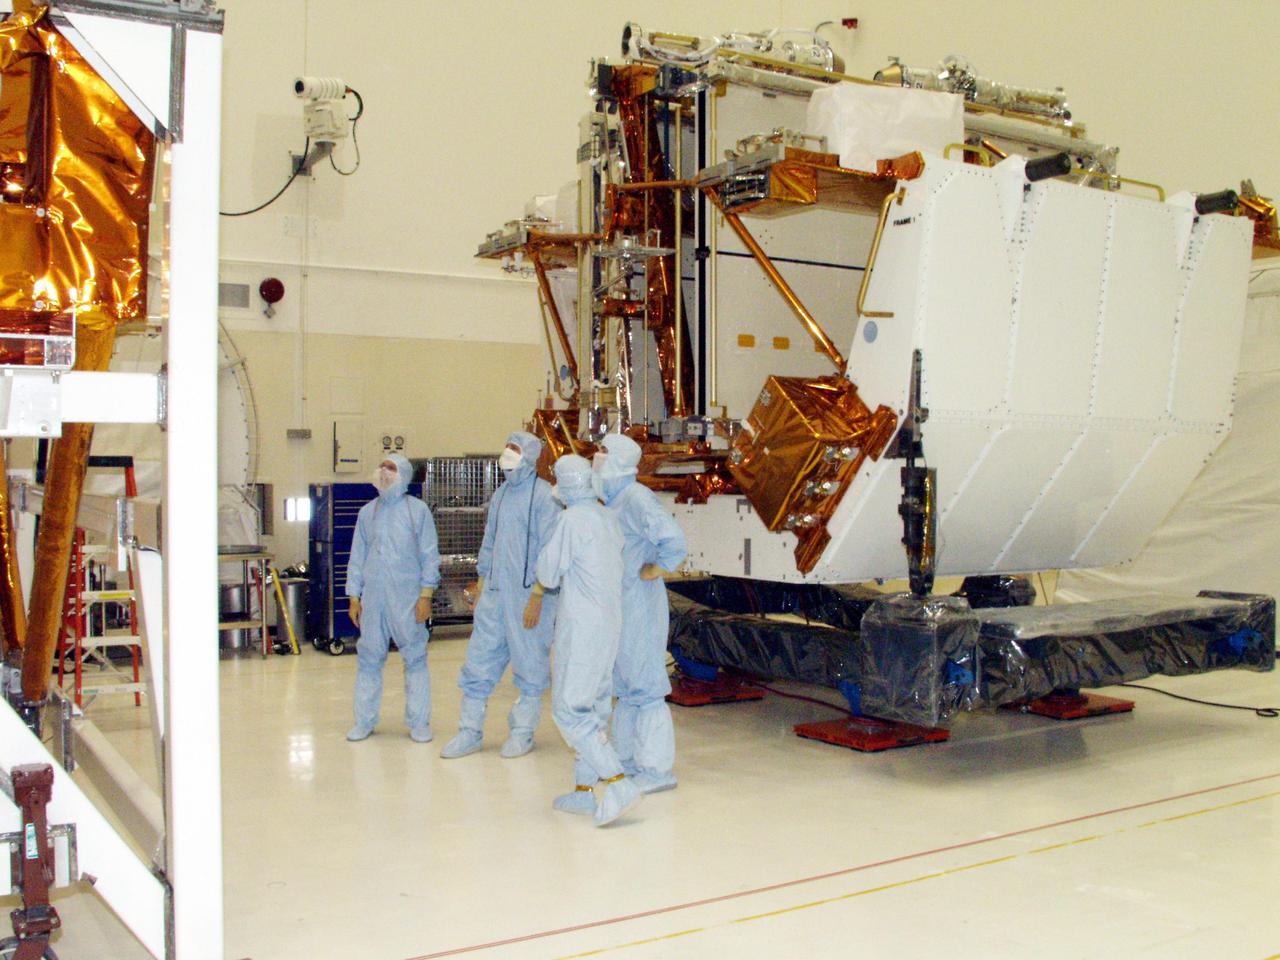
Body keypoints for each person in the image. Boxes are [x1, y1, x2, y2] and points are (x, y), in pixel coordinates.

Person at [527, 454, 640, 827]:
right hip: (609, 624)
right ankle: (583, 790)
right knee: (594, 706)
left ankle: (618, 783)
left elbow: (548, 572)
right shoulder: (607, 518)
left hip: (582, 626)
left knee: (570, 710)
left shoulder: (571, 520)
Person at [440, 432, 560, 759]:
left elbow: (551, 553)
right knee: (478, 663)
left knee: (530, 665)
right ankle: (469, 732)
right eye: (507, 447)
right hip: (494, 595)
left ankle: (522, 733)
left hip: (529, 599)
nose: (508, 453)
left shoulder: (545, 497)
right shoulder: (502, 495)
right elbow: (488, 544)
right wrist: (480, 584)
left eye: (515, 449)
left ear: (530, 456)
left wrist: (537, 596)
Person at [593, 432, 687, 794]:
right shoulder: (611, 502)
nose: (597, 457)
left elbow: (673, 539)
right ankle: (629, 760)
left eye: (603, 451)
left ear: (619, 460)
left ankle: (657, 769)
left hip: (640, 604)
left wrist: (656, 568)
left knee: (645, 686)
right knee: (627, 687)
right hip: (620, 605)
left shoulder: (635, 497)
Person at [344, 453, 440, 743]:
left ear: (404, 475)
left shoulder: (417, 511)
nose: (384, 471)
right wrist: (353, 596)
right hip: (373, 600)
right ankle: (364, 720)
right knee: (369, 658)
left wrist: (426, 595)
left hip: (408, 598)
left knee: (415, 657)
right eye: (382, 465)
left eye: (391, 467)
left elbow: (429, 555)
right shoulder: (367, 512)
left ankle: (419, 722)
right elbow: (357, 556)